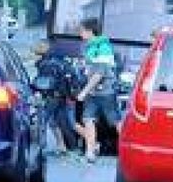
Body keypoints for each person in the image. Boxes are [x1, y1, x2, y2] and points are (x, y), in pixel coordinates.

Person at [74, 17, 120, 163]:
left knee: (114, 122)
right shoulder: (90, 46)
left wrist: (84, 92)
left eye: (81, 30)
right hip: (94, 92)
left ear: (89, 31)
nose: (79, 33)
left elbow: (99, 74)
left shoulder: (103, 47)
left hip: (105, 92)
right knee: (88, 119)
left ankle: (131, 148)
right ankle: (90, 151)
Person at [33, 39, 78, 155]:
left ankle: (39, 146)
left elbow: (43, 83)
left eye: (35, 54)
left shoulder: (46, 64)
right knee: (57, 122)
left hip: (52, 97)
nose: (33, 56)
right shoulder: (55, 61)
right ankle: (62, 146)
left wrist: (34, 88)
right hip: (62, 96)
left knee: (42, 120)